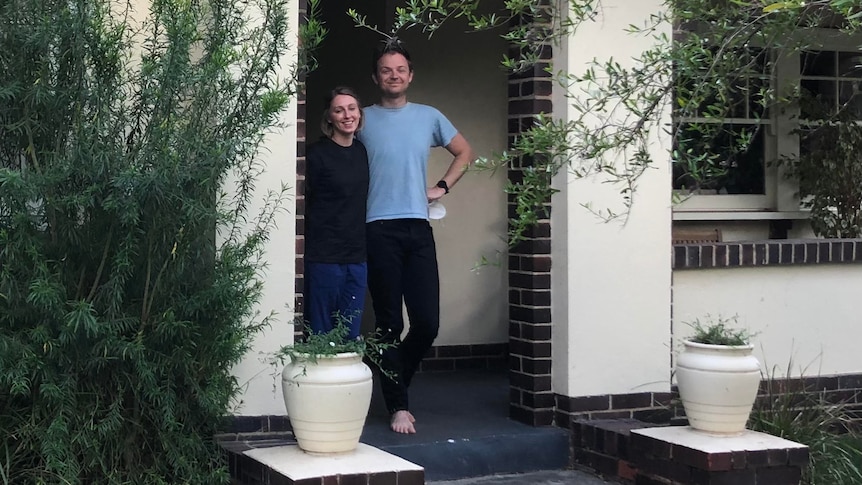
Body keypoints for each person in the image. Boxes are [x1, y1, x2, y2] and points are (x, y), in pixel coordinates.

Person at [356, 38, 475, 434]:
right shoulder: (363, 118)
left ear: (410, 75)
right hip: (377, 227)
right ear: (376, 76)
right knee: (389, 323)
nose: (394, 75)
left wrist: (442, 186)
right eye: (386, 70)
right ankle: (398, 406)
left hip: (417, 226)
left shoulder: (429, 116)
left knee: (427, 323)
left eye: (400, 69)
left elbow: (464, 153)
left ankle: (390, 374)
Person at [303, 87, 369, 340]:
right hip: (324, 257)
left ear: (360, 114)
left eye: (352, 109)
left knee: (349, 333)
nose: (347, 115)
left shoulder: (362, 152)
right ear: (329, 117)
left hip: (356, 257)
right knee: (321, 334)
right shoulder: (316, 155)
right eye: (339, 110)